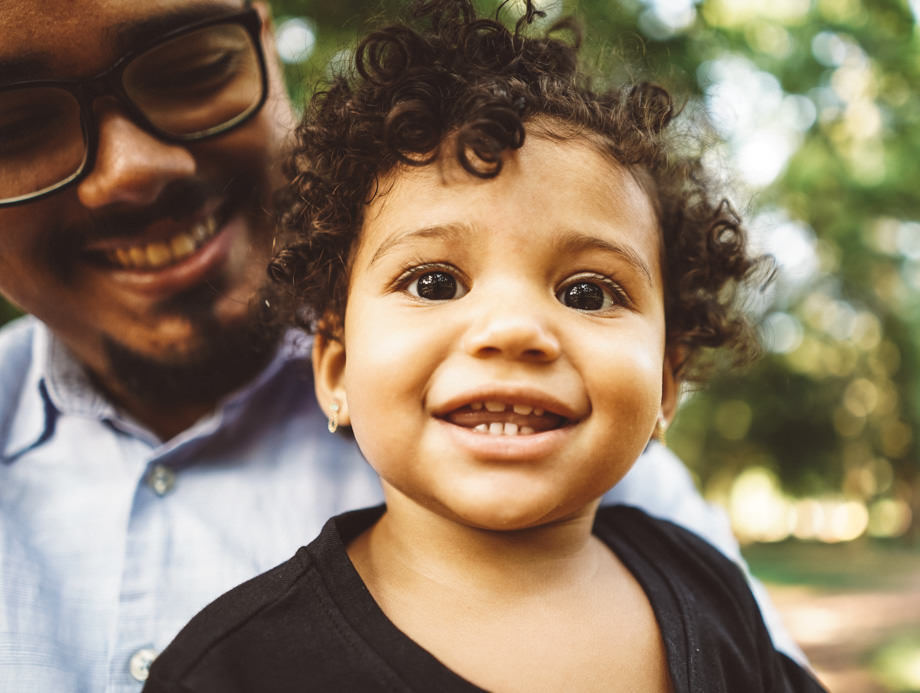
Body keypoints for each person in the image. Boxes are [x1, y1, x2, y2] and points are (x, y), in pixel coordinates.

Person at [0, 0, 804, 690]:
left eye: (587, 293)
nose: (514, 328)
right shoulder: (233, 665)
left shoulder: (706, 591)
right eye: (435, 282)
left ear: (667, 381)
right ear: (335, 365)